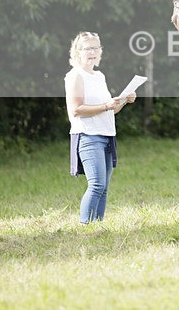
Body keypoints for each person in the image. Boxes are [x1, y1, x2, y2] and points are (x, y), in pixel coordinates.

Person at [65, 31, 136, 224]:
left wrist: (123, 101)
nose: (93, 52)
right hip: (88, 136)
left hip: (107, 135)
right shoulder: (75, 76)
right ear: (78, 51)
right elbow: (76, 109)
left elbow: (109, 111)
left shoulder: (99, 76)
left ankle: (97, 226)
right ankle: (84, 225)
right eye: (88, 48)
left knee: (104, 187)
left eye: (96, 47)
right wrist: (106, 105)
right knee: (96, 184)